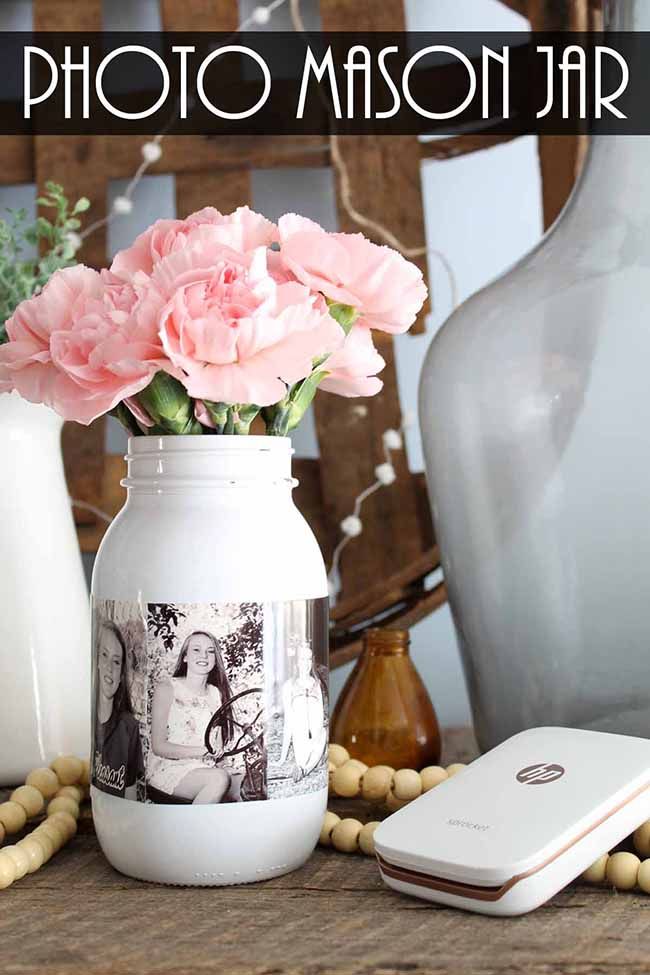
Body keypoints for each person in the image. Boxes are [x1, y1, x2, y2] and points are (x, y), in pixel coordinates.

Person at [147, 630, 240, 803]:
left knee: (247, 783)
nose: (204, 655)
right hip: (171, 768)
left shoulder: (216, 694)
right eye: (196, 650)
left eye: (210, 651)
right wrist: (201, 751)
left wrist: (222, 761)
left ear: (215, 658)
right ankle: (191, 828)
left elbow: (216, 744)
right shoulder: (167, 688)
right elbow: (158, 746)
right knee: (219, 779)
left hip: (206, 768)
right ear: (185, 657)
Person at [94, 620, 144, 800]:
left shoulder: (129, 727)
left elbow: (130, 796)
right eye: (104, 655)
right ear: (95, 661)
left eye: (116, 662)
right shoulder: (84, 720)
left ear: (122, 674)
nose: (109, 667)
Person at [279, 639, 327, 780]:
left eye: (308, 659)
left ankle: (304, 770)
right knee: (304, 756)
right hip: (299, 735)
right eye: (302, 659)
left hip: (317, 735)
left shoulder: (316, 684)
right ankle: (304, 768)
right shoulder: (289, 686)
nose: (305, 663)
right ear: (296, 662)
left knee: (323, 733)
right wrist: (283, 757)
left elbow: (319, 714)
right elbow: (289, 722)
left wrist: (319, 735)